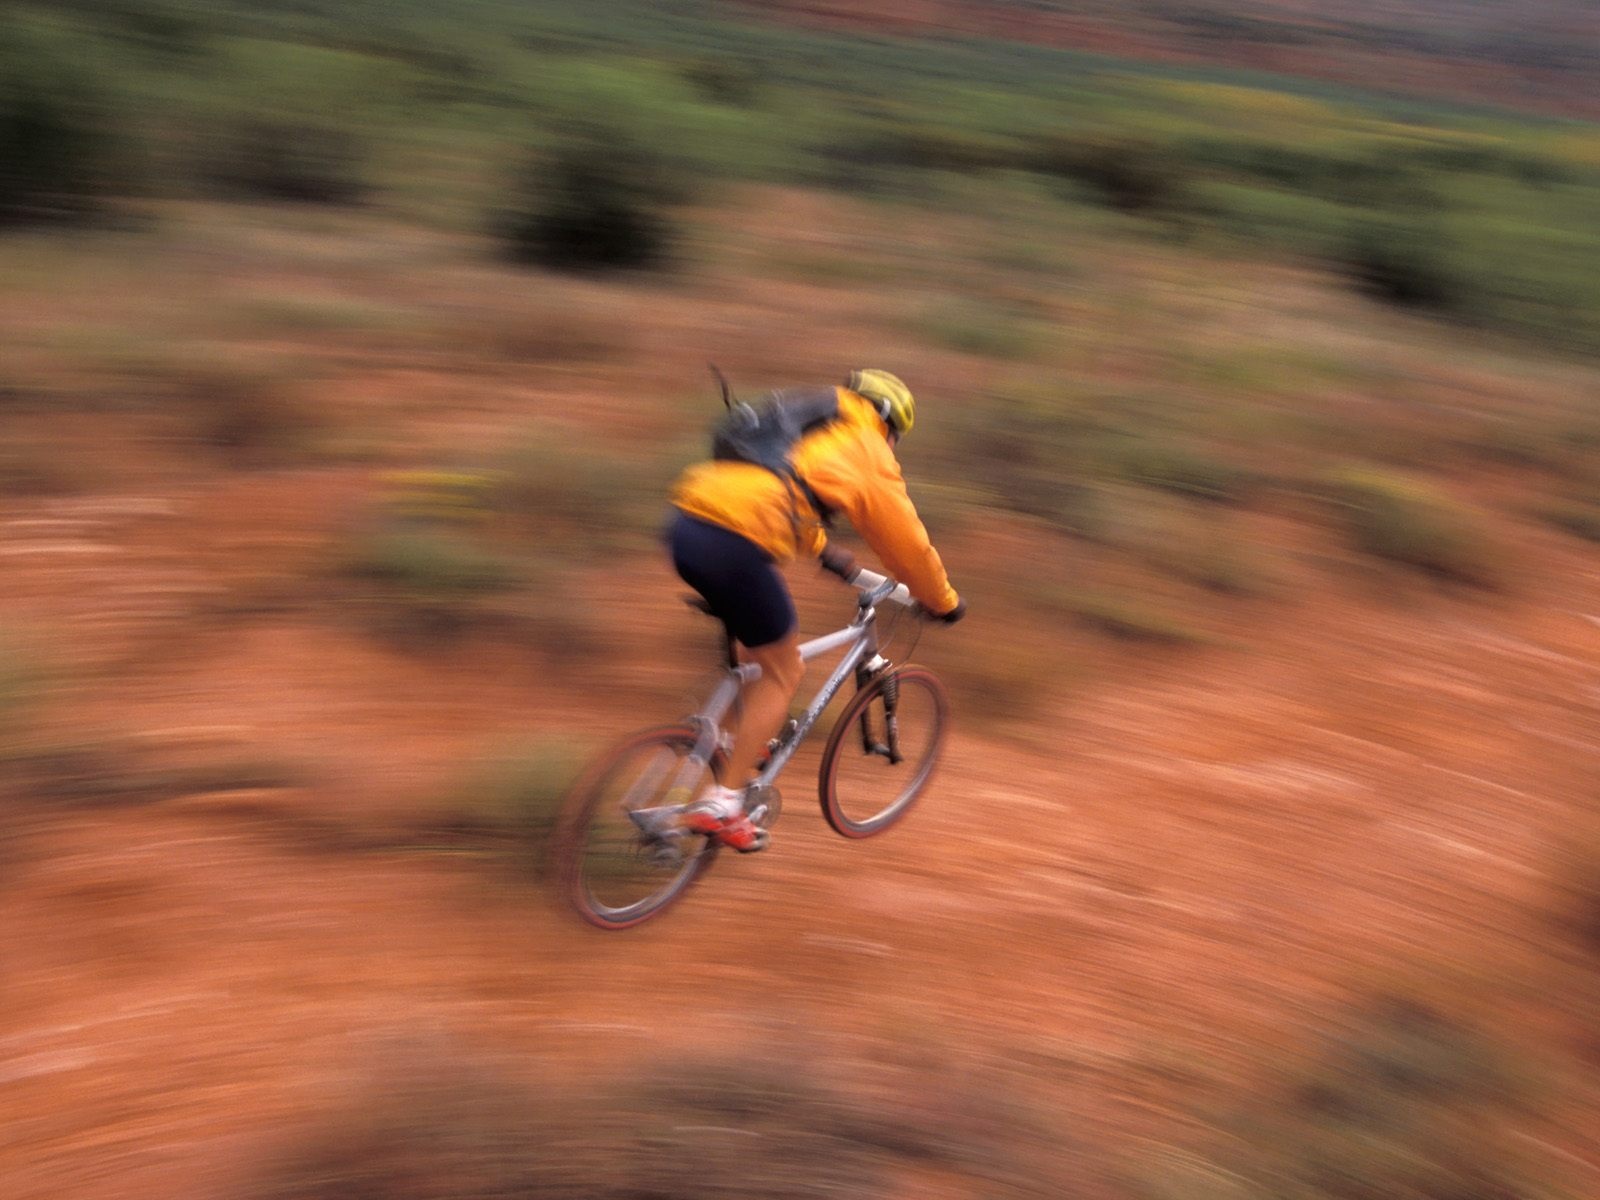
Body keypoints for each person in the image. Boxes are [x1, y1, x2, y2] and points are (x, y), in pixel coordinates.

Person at [665, 369, 964, 852]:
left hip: (686, 525)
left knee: (758, 651)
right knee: (786, 670)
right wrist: (942, 600)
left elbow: (779, 487)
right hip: (737, 542)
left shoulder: (812, 418)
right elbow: (906, 544)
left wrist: (827, 553)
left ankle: (736, 743)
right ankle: (723, 806)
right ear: (889, 421)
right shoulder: (868, 445)